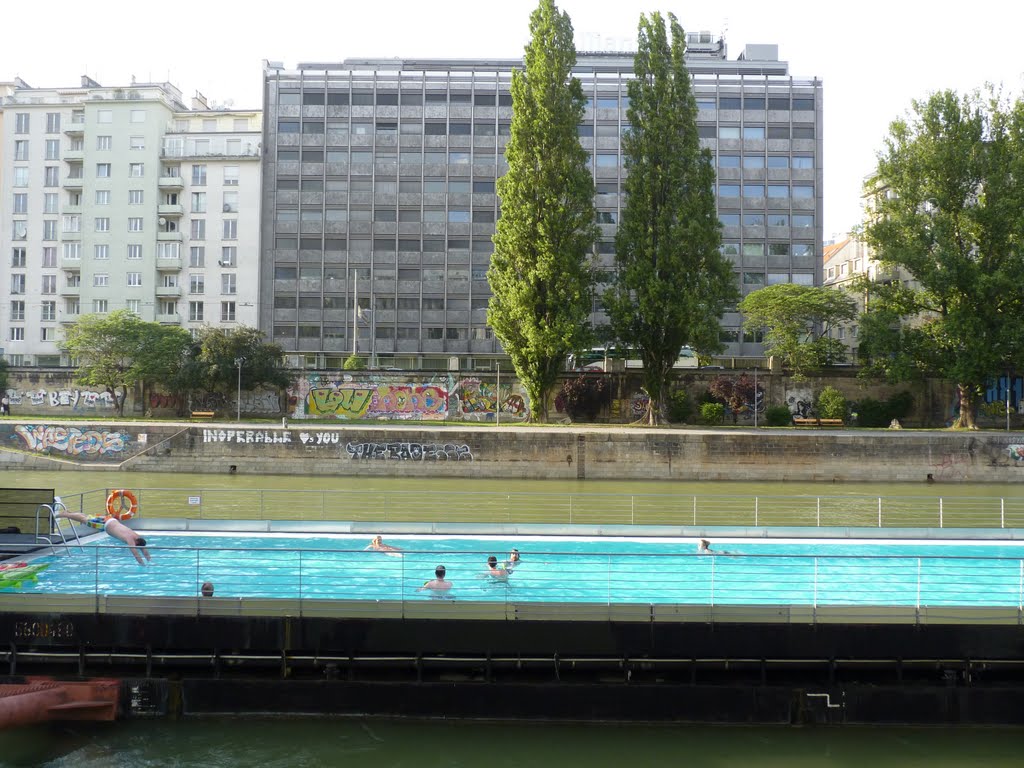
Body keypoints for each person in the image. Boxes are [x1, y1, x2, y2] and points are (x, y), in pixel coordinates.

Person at [57, 510, 151, 565]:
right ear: (137, 543)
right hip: (103, 525)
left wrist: (149, 561)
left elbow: (144, 550)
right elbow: (136, 554)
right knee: (84, 519)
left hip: (110, 520)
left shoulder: (136, 536)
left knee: (86, 517)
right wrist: (143, 565)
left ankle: (70, 513)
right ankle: (65, 514)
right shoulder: (130, 539)